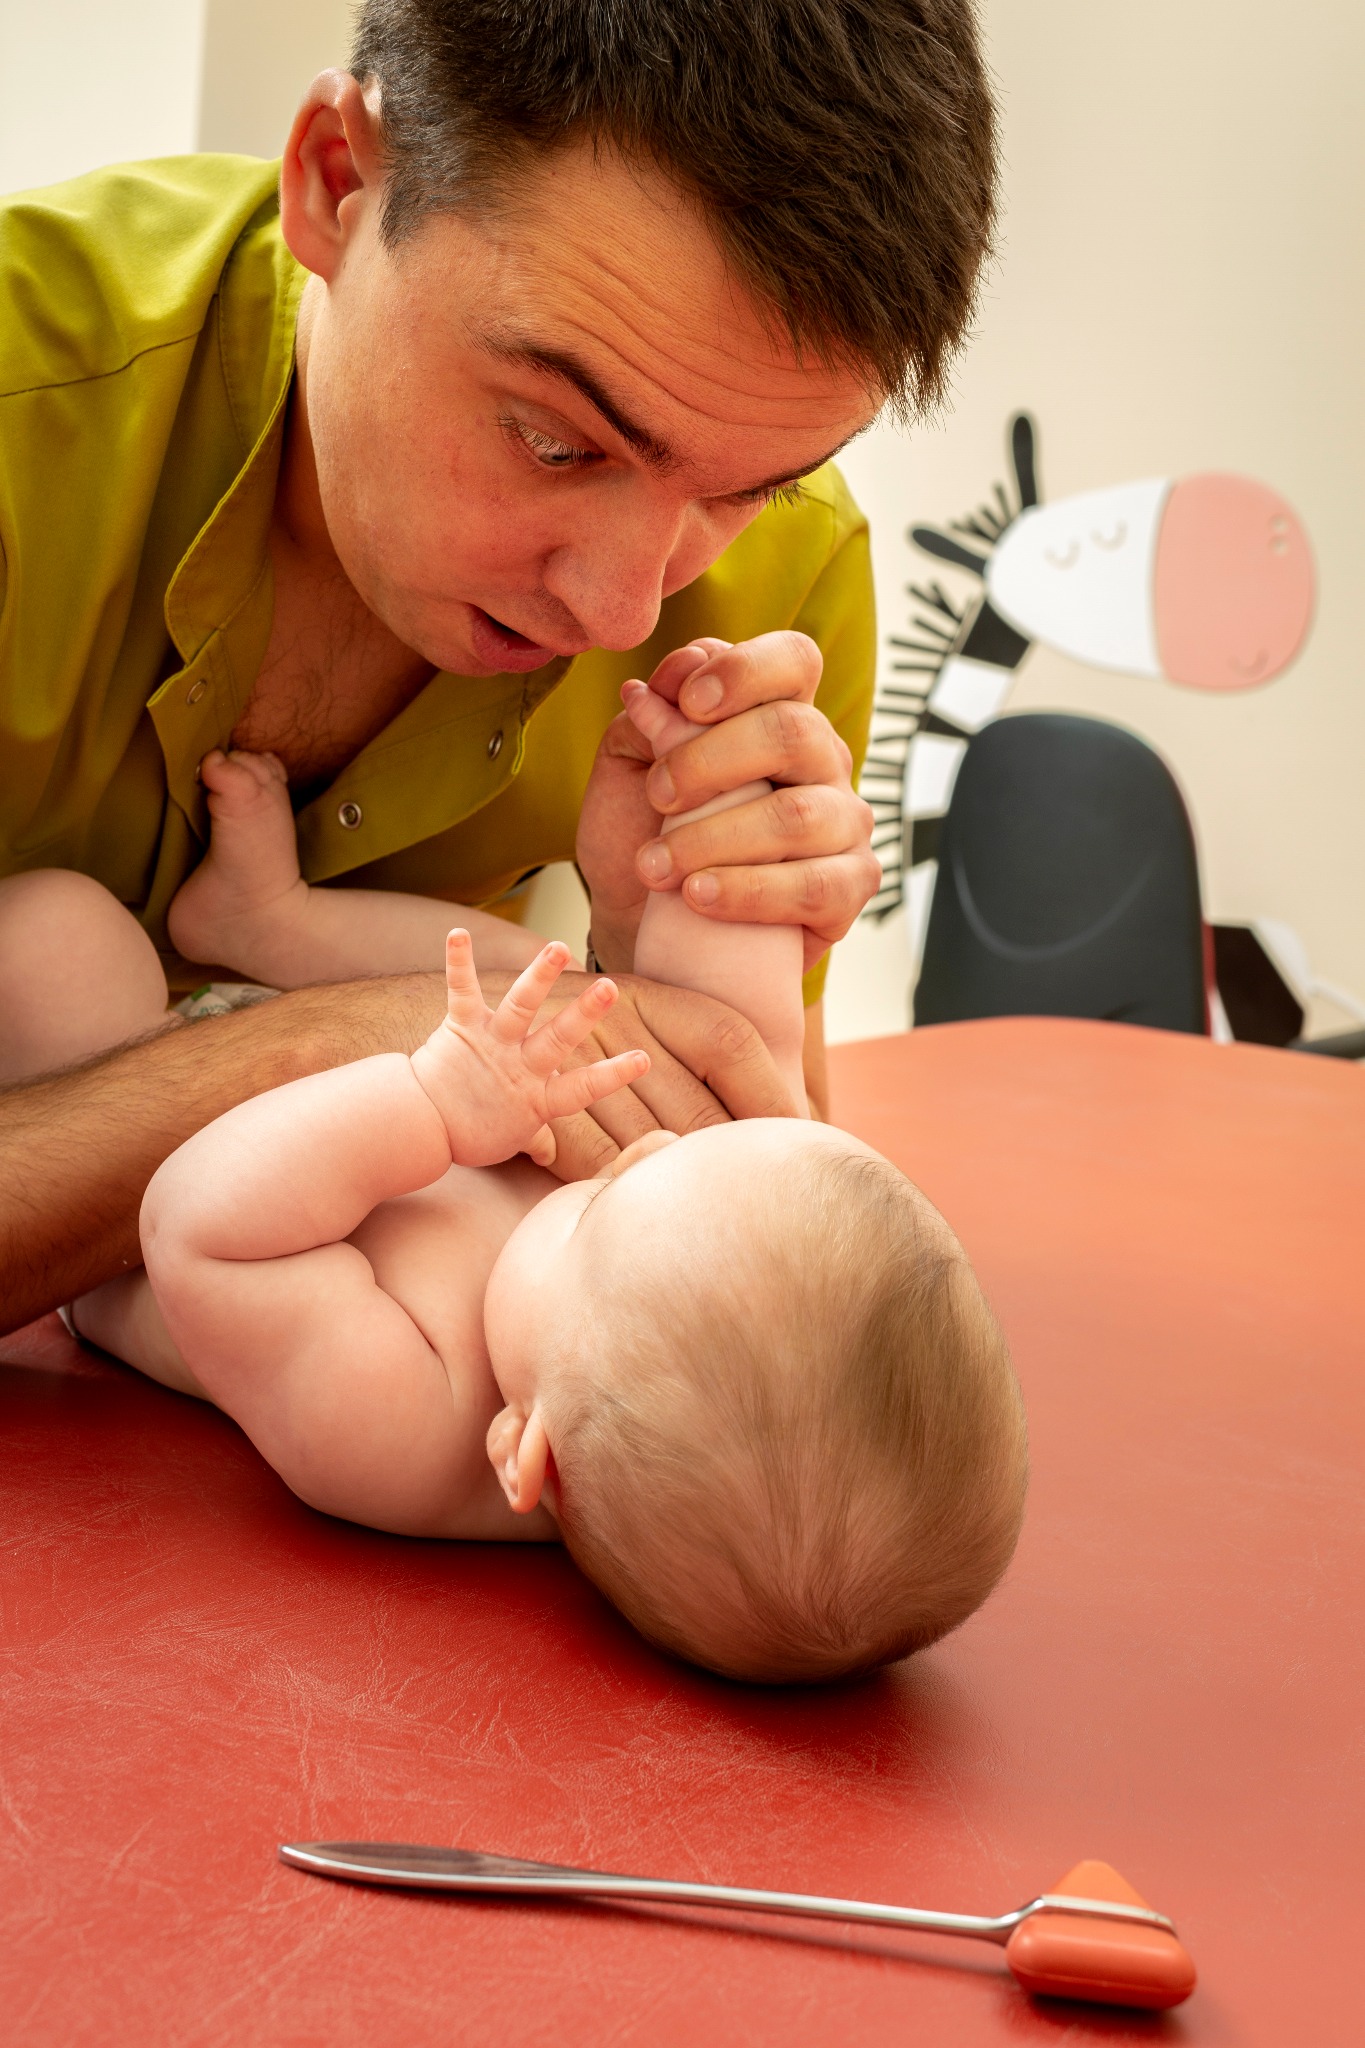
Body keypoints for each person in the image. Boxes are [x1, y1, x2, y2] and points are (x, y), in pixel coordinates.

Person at [0, 1, 998, 1332]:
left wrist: (652, 973)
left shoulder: (789, 585)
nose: (622, 606)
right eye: (553, 443)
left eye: (747, 490)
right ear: (337, 183)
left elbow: (752, 1288)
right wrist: (337, 1041)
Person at [13, 677, 1026, 1684]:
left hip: (152, 1155)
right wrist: (713, 814)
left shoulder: (406, 1429)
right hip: (383, 1048)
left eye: (597, 1206)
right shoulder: (666, 1271)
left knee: (56, 934)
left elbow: (194, 1223)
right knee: (543, 984)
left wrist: (429, 1103)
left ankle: (256, 942)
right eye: (691, 1159)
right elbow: (720, 1029)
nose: (639, 1153)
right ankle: (267, 922)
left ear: (529, 1455)